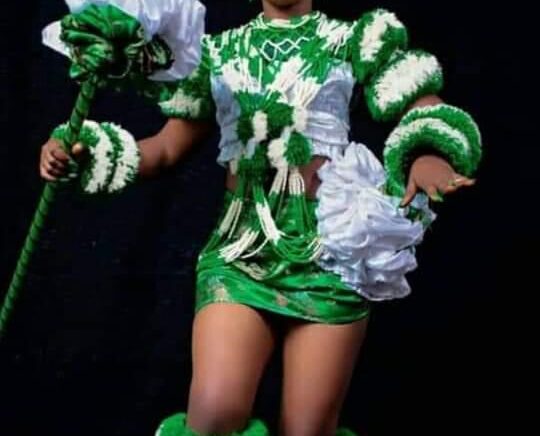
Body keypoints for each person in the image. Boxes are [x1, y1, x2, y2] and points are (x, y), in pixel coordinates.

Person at [39, 0, 482, 434]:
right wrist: (88, 152)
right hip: (240, 250)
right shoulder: (215, 53)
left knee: (308, 429)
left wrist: (427, 153)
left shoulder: (356, 40)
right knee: (214, 413)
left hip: (329, 253)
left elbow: (423, 103)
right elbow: (166, 148)